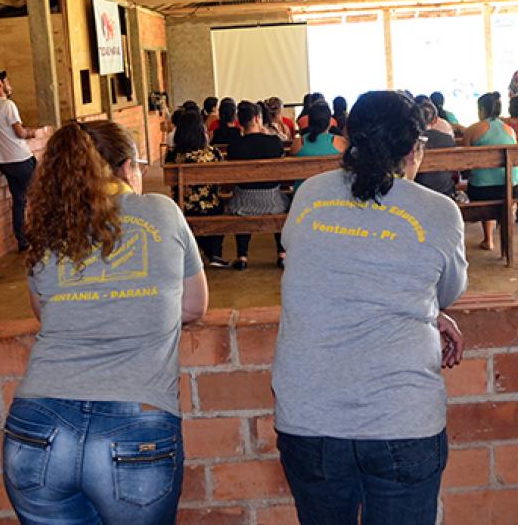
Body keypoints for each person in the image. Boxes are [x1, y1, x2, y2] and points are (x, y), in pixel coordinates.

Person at [273, 90, 467, 525]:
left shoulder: (309, 196)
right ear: (417, 147)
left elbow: (320, 268)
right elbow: (447, 289)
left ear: (345, 139)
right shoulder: (438, 212)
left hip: (309, 419)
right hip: (402, 421)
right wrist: (432, 311)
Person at [4, 120, 208, 523]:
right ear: (128, 166)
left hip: (37, 426)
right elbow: (194, 306)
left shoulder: (48, 227)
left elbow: (44, 311)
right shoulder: (161, 211)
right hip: (135, 428)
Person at [0, 70, 49, 253]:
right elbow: (19, 132)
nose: (9, 84)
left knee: (19, 200)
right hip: (20, 158)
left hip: (4, 161)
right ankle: (44, 236)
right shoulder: (8, 105)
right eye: (6, 81)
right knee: (40, 196)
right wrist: (33, 133)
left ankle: (22, 241)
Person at [225, 101, 288, 270]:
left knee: (240, 198)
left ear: (239, 121)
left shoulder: (234, 146)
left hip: (243, 202)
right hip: (272, 201)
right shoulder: (274, 142)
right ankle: (282, 254)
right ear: (257, 118)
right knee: (284, 200)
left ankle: (242, 256)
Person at [165, 110, 229, 268]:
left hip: (182, 206)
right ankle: (214, 253)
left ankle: (192, 254)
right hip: (210, 206)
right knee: (220, 205)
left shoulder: (173, 154)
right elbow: (222, 179)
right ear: (202, 131)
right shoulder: (213, 153)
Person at [463, 92, 518, 251]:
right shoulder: (510, 130)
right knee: (501, 191)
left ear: (482, 109)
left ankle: (488, 239)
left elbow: (466, 163)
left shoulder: (472, 130)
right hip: (514, 188)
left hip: (483, 190)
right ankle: (506, 233)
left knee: (483, 181)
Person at [414, 99, 457, 198]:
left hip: (419, 190)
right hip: (445, 191)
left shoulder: (412, 140)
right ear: (435, 120)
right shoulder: (448, 139)